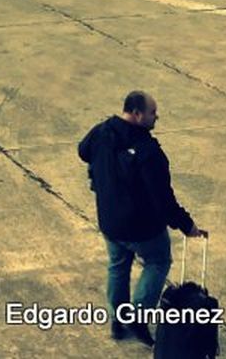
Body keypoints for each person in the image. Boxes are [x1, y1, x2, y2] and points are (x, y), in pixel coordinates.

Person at [78, 91, 207, 345]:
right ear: (136, 114)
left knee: (118, 266)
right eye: (152, 113)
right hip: (143, 228)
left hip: (110, 221)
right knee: (158, 261)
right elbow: (164, 199)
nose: (156, 117)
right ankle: (138, 315)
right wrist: (187, 225)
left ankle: (118, 319)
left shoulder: (102, 131)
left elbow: (83, 151)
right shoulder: (149, 151)